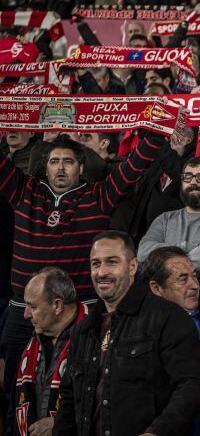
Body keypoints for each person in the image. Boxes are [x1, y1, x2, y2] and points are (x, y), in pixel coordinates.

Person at [0, 132, 167, 421]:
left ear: (81, 167)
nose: (60, 167)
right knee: (14, 391)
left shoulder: (99, 196)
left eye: (68, 161)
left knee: (77, 390)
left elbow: (136, 164)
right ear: (45, 166)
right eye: (54, 161)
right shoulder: (23, 190)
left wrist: (157, 127)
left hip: (79, 313)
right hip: (22, 311)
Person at [55, 231, 200, 436]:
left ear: (133, 266)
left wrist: (156, 432)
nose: (102, 272)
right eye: (96, 264)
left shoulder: (168, 317)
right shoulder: (82, 331)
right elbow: (68, 400)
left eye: (112, 262)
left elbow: (193, 385)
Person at [142, 246, 200, 436]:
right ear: (156, 288)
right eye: (182, 279)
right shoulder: (140, 334)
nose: (194, 285)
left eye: (194, 275)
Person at [16, 268, 89, 436]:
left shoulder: (94, 338)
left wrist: (61, 422)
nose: (26, 314)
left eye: (33, 306)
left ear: (57, 305)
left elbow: (103, 406)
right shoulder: (34, 343)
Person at [137, 156, 200, 268]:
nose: (193, 182)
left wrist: (163, 254)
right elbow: (142, 252)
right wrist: (184, 247)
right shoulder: (165, 219)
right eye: (187, 177)